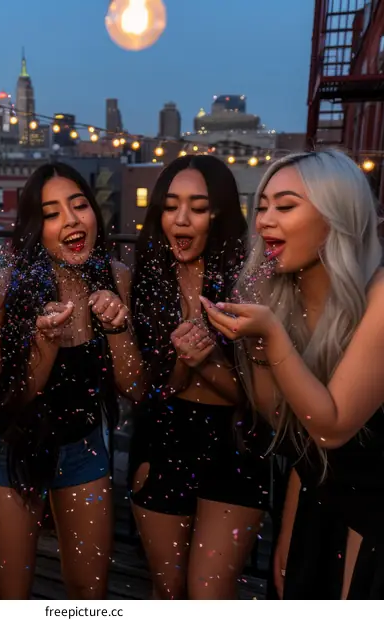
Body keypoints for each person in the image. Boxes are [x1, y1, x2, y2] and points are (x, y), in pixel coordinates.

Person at [201, 150, 384, 599]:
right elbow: (286, 421)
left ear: (336, 215)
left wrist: (273, 337)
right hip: (320, 506)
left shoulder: (380, 294)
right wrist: (256, 345)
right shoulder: (289, 298)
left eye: (284, 206)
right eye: (261, 207)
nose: (264, 221)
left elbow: (332, 427)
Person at [0, 162, 143, 599]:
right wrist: (45, 344)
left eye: (79, 205)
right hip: (12, 447)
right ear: (37, 227)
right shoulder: (4, 285)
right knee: (10, 596)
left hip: (84, 447)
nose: (71, 220)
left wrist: (118, 327)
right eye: (52, 213)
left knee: (88, 594)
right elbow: (15, 396)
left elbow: (136, 388)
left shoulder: (118, 277)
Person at [128, 154, 270, 599]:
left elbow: (256, 400)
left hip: (235, 444)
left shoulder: (250, 282)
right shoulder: (149, 276)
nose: (182, 219)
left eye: (198, 206)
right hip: (164, 436)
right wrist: (180, 361)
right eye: (171, 206)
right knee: (167, 591)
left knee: (209, 593)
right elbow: (153, 389)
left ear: (220, 213)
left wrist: (205, 361)